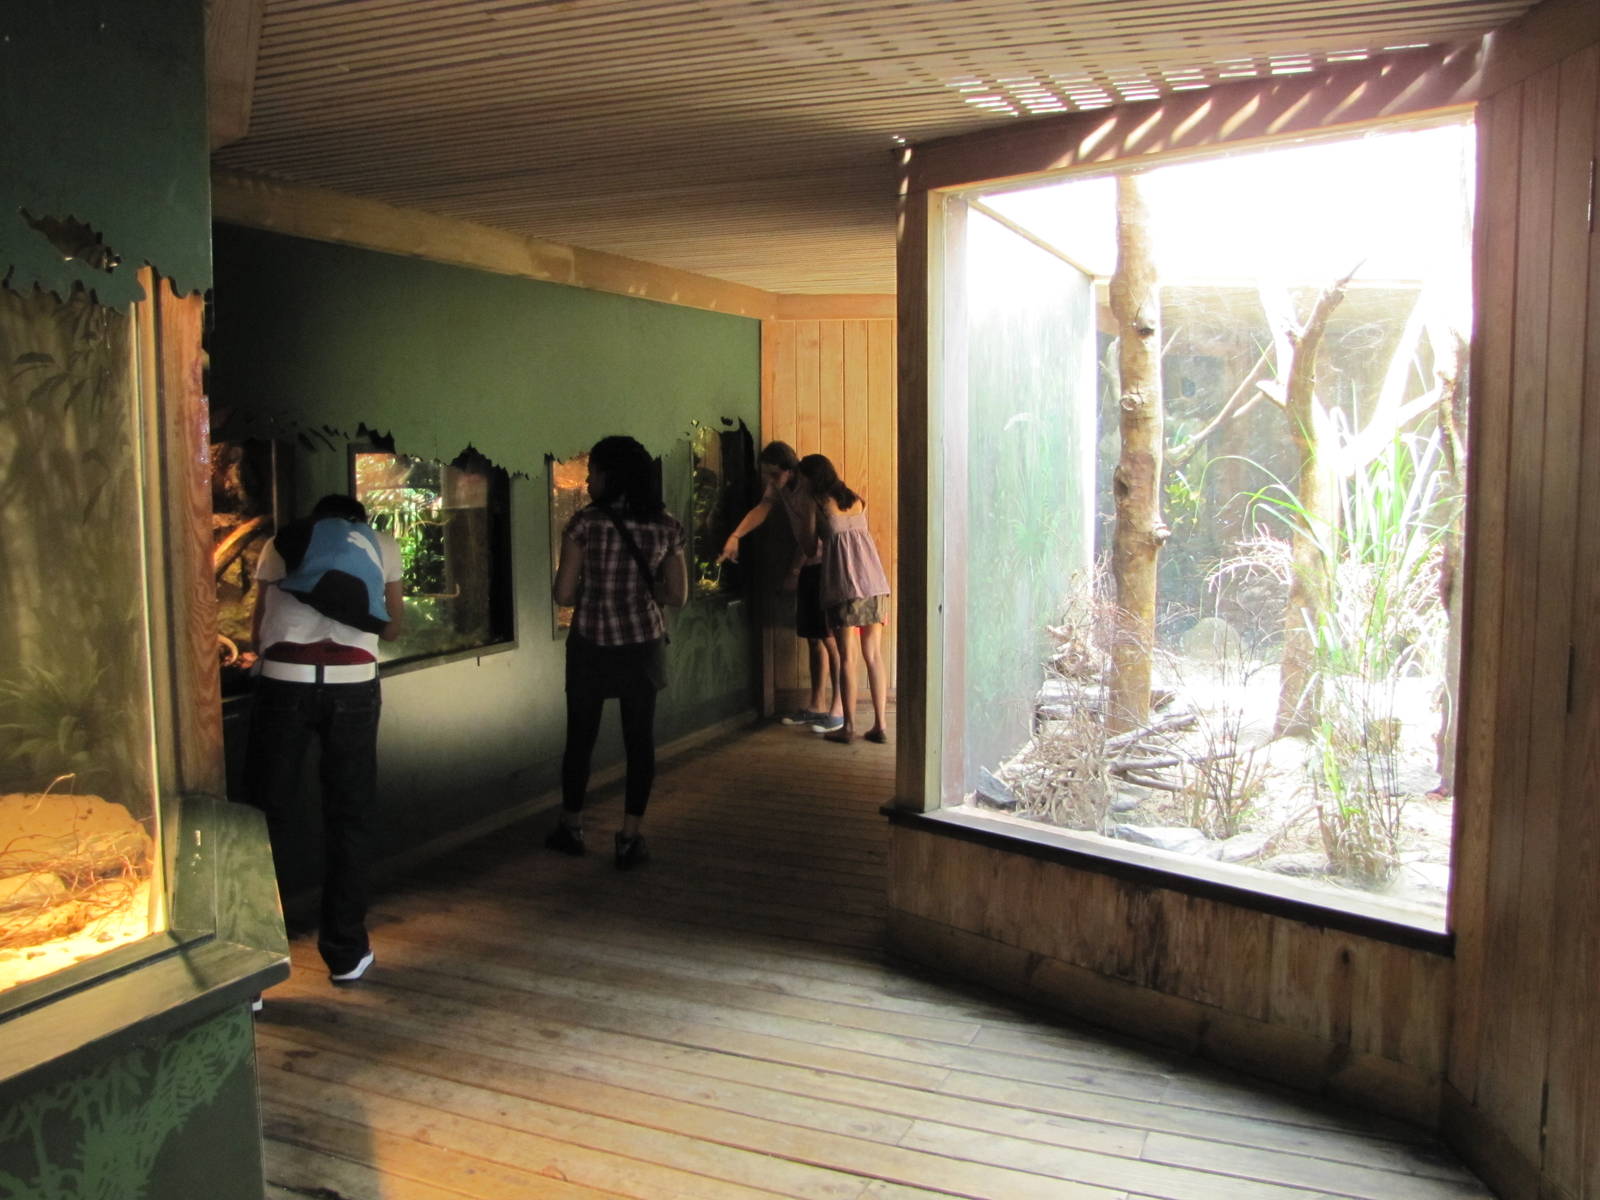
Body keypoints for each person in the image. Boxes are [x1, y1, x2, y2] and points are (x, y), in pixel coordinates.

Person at [245, 493, 403, 985]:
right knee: (349, 815)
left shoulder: (281, 542)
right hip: (353, 684)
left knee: (262, 819)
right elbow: (393, 629)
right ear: (358, 522)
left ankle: (254, 963)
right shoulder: (382, 544)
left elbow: (257, 632)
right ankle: (346, 952)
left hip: (284, 678)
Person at [550, 435, 689, 868]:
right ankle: (629, 838)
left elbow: (564, 594)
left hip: (591, 643)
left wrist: (599, 590)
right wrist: (642, 592)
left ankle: (572, 827)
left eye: (591, 472)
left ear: (610, 476)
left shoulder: (583, 524)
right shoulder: (665, 525)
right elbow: (679, 595)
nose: (587, 479)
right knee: (639, 742)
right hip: (642, 645)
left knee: (580, 740)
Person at [717, 441, 844, 732]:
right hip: (809, 565)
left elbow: (816, 536)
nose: (770, 481)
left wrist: (795, 569)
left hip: (828, 566)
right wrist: (736, 535)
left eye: (774, 475)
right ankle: (816, 704)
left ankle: (838, 709)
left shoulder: (812, 486)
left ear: (790, 469)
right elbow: (762, 509)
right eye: (767, 476)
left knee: (831, 639)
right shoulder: (779, 487)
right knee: (814, 636)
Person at [796, 454, 890, 745]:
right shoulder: (858, 500)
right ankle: (880, 726)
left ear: (811, 478)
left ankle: (848, 727)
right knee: (873, 656)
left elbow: (811, 549)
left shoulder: (817, 503)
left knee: (848, 657)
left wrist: (801, 521)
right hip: (875, 582)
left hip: (844, 586)